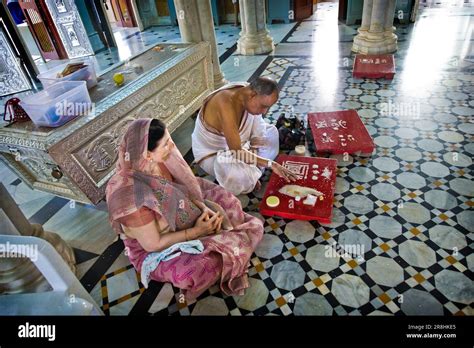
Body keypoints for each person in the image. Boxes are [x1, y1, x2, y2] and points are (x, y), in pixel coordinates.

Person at [106, 118, 264, 301]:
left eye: (169, 139)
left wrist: (203, 210)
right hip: (155, 245)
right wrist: (196, 231)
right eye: (165, 144)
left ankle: (224, 239)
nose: (171, 146)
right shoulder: (131, 198)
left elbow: (185, 190)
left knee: (228, 201)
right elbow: (153, 244)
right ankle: (224, 242)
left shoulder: (161, 160)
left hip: (181, 214)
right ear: (147, 155)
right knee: (196, 270)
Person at [192, 77, 298, 195]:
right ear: (252, 95)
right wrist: (271, 164)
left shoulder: (247, 91)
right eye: (263, 106)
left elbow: (258, 125)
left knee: (272, 132)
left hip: (240, 144)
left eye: (268, 107)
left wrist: (254, 148)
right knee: (231, 172)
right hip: (214, 153)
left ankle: (253, 172)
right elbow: (236, 151)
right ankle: (254, 172)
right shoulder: (225, 104)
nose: (265, 112)